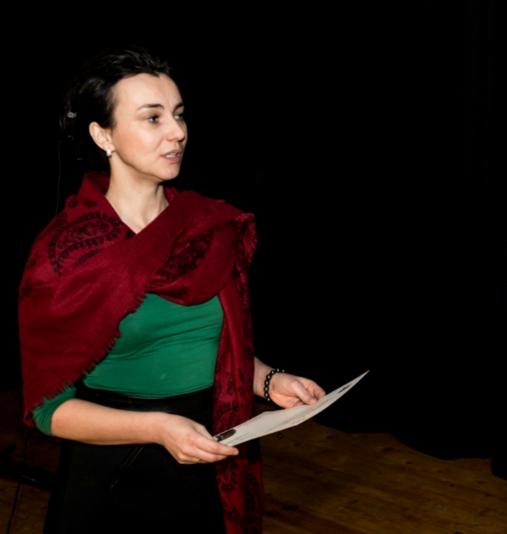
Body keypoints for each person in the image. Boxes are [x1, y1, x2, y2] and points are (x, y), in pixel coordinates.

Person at [18, 47, 325, 534]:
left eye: (179, 115)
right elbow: (49, 411)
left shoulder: (208, 227)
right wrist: (157, 428)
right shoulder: (66, 254)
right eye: (152, 118)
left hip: (208, 455)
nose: (177, 132)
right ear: (103, 135)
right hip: (115, 471)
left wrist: (268, 381)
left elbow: (219, 346)